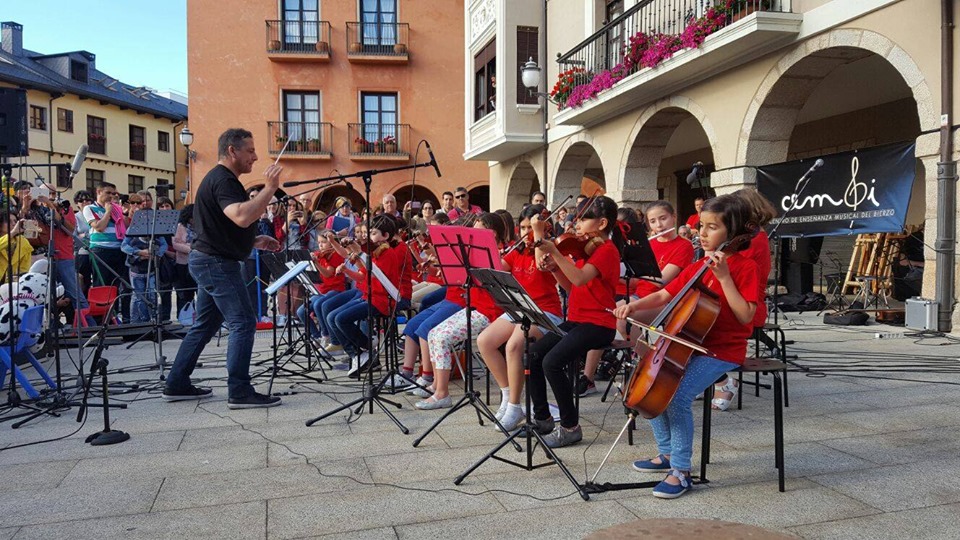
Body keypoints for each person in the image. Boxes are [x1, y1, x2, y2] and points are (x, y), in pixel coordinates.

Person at [614, 193, 759, 499]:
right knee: (648, 384)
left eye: (712, 227)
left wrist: (725, 278)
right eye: (701, 226)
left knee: (677, 396)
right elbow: (666, 294)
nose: (702, 233)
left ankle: (681, 471)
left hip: (723, 350)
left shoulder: (745, 268)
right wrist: (634, 306)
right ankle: (666, 453)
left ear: (731, 233)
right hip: (691, 343)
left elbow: (746, 314)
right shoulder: (698, 266)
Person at [163, 127, 283, 409]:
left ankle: (177, 382)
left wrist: (253, 241)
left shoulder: (220, 180)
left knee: (205, 325)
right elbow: (241, 216)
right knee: (243, 322)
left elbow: (220, 227)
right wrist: (269, 188)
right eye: (250, 150)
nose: (255, 157)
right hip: (216, 264)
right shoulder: (224, 180)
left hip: (209, 259)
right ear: (232, 150)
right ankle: (239, 390)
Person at [523, 196, 622, 448]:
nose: (577, 223)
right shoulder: (585, 249)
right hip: (578, 320)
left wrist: (555, 252)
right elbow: (572, 287)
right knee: (533, 355)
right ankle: (543, 419)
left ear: (601, 223)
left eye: (584, 218)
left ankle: (570, 427)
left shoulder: (606, 251)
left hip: (599, 323)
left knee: (552, 362)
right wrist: (556, 268)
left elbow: (578, 279)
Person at [477, 204, 562, 431]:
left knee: (514, 345)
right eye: (523, 227)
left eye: (531, 227)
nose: (526, 232)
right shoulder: (517, 250)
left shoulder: (548, 248)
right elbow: (496, 269)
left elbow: (543, 268)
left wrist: (539, 234)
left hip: (546, 311)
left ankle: (515, 406)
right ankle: (507, 395)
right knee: (484, 341)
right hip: (521, 309)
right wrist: (485, 248)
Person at [415, 212, 507, 410]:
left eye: (481, 232)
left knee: (439, 337)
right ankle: (438, 388)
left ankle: (442, 393)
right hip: (475, 307)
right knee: (433, 333)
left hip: (491, 313)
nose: (475, 236)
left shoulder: (501, 254)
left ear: (495, 233)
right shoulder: (474, 253)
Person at [707, 188, 776, 411]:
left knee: (698, 329)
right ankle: (704, 378)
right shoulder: (751, 240)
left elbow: (733, 276)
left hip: (746, 308)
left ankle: (720, 380)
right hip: (726, 303)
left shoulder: (751, 243)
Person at [83, 181, 131, 322]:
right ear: (99, 192)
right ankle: (101, 320)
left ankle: (116, 317)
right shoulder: (90, 208)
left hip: (118, 249)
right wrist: (108, 211)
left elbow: (126, 226)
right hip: (101, 249)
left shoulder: (117, 209)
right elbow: (99, 226)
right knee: (102, 285)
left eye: (114, 193)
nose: (111, 196)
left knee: (118, 285)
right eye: (108, 193)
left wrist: (127, 212)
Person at [121, 194, 168, 324]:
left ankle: (154, 320)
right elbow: (124, 246)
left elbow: (164, 244)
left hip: (152, 268)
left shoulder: (156, 230)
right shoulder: (133, 229)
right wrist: (139, 252)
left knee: (153, 294)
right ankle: (137, 322)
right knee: (138, 296)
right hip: (136, 269)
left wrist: (156, 253)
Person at [171, 204, 197, 320]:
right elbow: (175, 244)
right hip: (183, 264)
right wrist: (192, 248)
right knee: (185, 293)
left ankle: (197, 317)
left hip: (197, 263)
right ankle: (183, 317)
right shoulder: (180, 227)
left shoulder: (201, 226)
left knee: (199, 291)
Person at [73, 190, 95, 296]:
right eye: (81, 200)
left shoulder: (96, 214)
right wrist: (85, 236)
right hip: (83, 253)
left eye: (87, 200)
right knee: (84, 280)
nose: (85, 202)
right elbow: (74, 236)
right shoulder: (76, 217)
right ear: (77, 203)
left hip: (96, 251)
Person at [0, 213, 32, 280]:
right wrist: (13, 232)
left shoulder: (23, 242)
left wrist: (19, 277)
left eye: (15, 221)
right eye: (8, 221)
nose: (13, 224)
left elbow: (24, 269)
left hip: (12, 284)